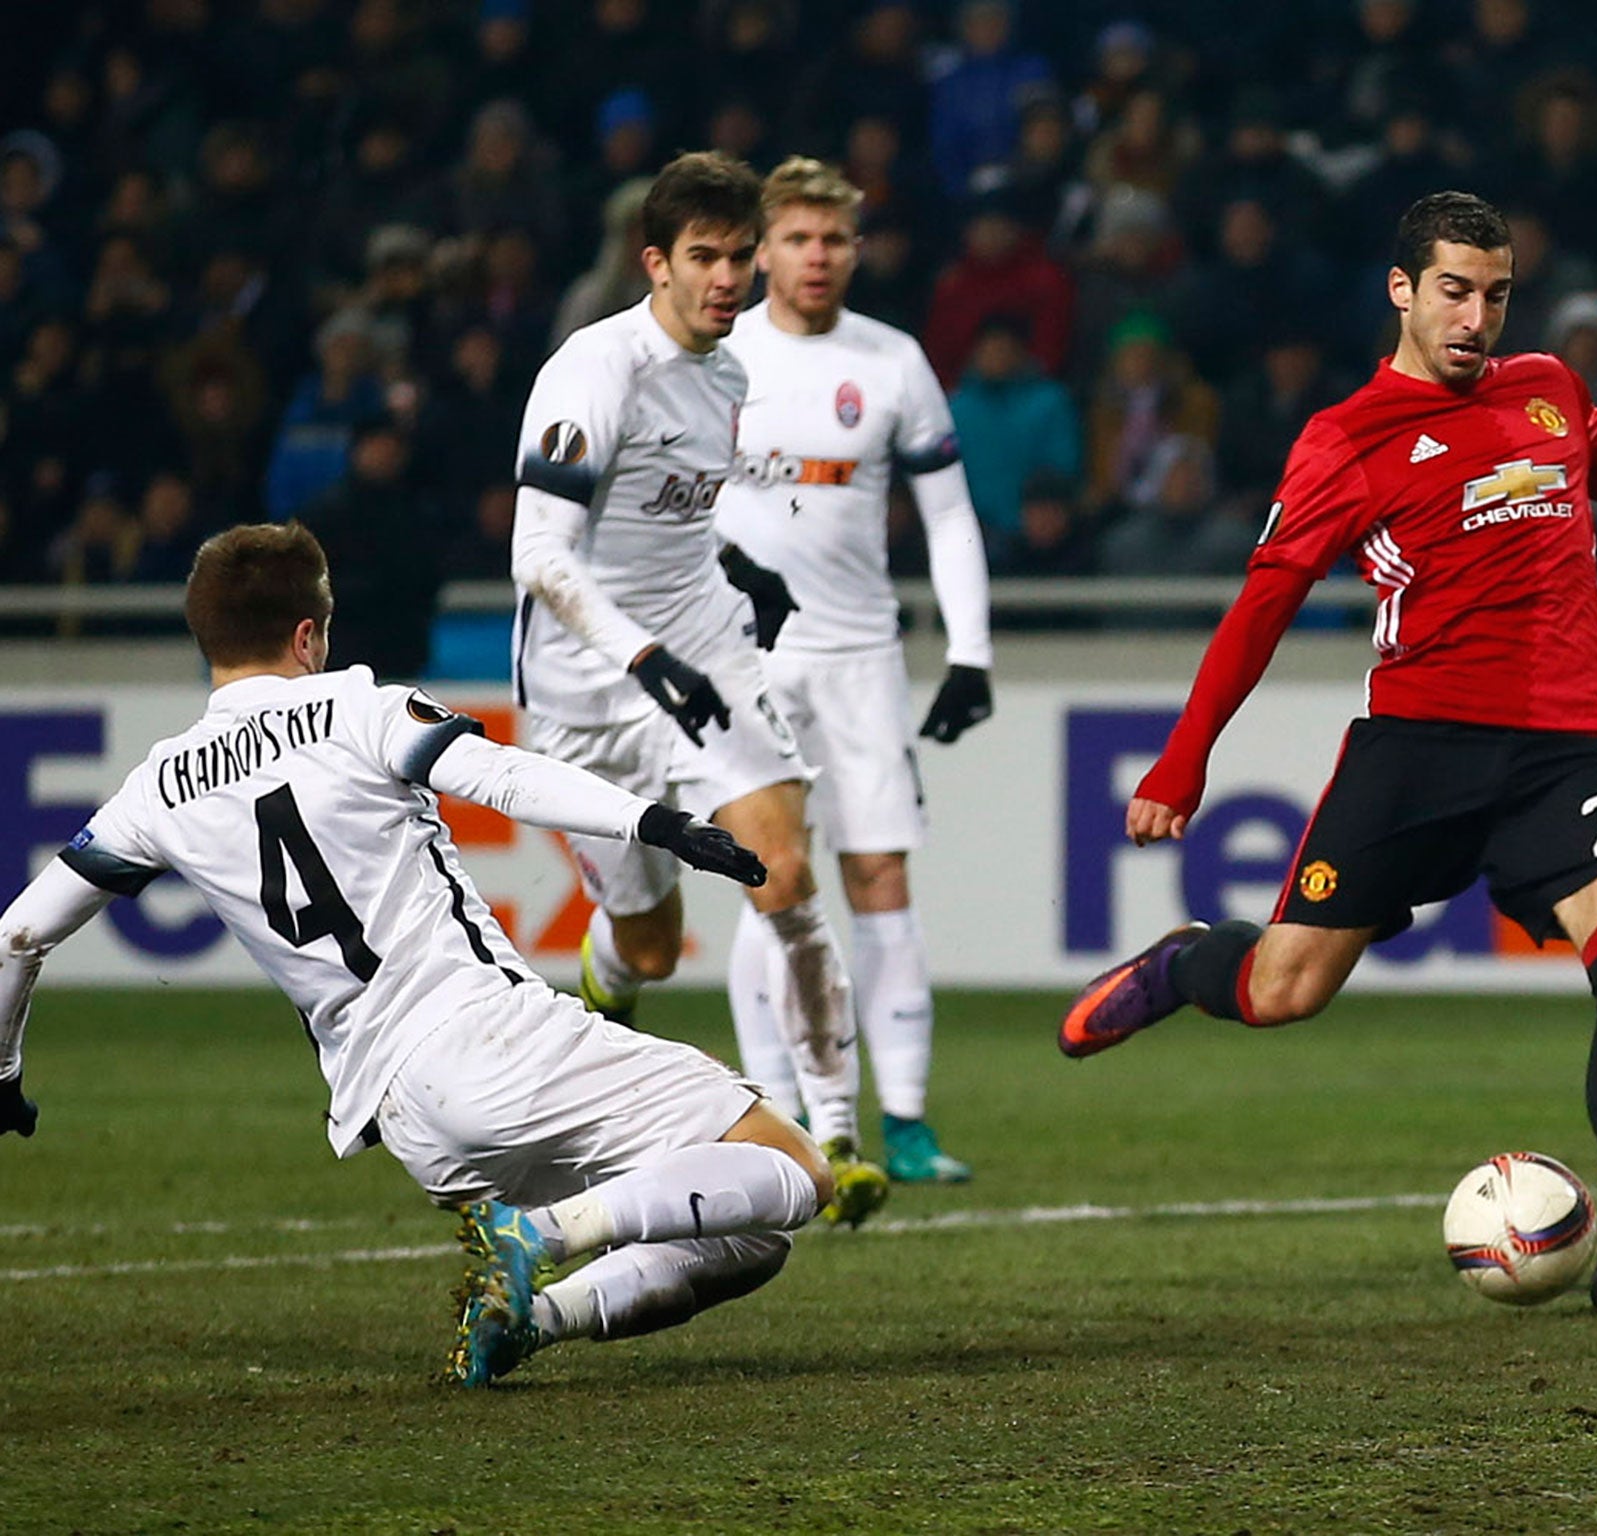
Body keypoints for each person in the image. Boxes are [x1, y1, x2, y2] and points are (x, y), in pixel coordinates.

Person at [1058, 191, 1597, 1313]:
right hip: (1419, 747)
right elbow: (1262, 605)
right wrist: (1181, 759)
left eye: (1494, 294)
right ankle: (1180, 966)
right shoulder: (1344, 439)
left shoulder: (1547, 388)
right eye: (1452, 290)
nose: (1474, 317)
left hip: (1572, 745)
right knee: (1282, 990)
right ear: (1400, 290)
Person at [0, 521, 832, 1389]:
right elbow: (503, 777)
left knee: (747, 1233)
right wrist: (658, 824)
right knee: (793, 1168)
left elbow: (17, 938)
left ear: (205, 638)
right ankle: (539, 1235)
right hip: (489, 1037)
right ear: (308, 635)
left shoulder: (156, 787)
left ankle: (527, 1321)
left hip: (404, 1115)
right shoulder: (357, 707)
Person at [508, 151, 889, 1226]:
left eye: (740, 257)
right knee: (652, 949)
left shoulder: (726, 374)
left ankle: (837, 1136)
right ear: (655, 264)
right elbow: (541, 553)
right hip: (589, 688)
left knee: (784, 875)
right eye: (706, 259)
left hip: (707, 662)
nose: (729, 279)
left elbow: (671, 517)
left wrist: (736, 568)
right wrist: (637, 657)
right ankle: (607, 978)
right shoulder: (592, 374)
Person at [717, 157, 992, 1184]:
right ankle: (776, 1115)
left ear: (857, 247)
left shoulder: (891, 363)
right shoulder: (715, 358)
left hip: (861, 658)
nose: (816, 257)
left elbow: (949, 514)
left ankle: (908, 1123)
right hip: (743, 662)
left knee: (880, 876)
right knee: (769, 880)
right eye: (796, 239)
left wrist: (968, 650)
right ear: (762, 251)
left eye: (833, 239)